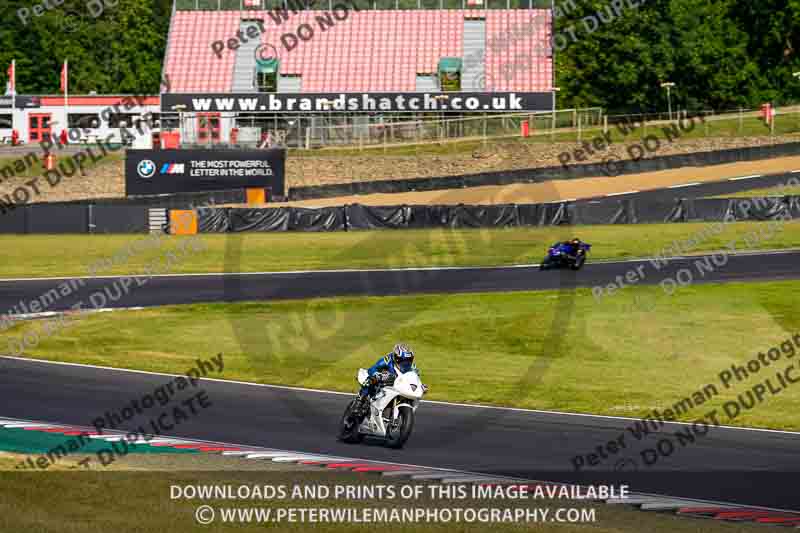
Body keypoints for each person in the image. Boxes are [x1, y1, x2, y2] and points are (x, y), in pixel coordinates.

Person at [353, 343, 419, 416]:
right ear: (396, 358)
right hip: (383, 381)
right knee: (369, 380)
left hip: (397, 385)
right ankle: (359, 401)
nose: (406, 363)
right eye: (402, 360)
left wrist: (420, 386)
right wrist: (377, 375)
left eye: (409, 360)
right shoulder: (388, 359)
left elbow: (415, 378)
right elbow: (373, 369)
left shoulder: (412, 367)